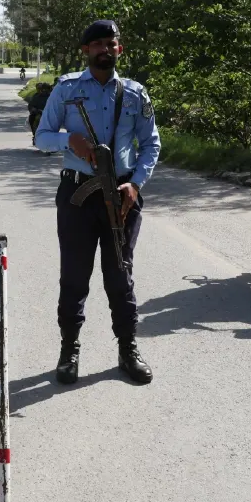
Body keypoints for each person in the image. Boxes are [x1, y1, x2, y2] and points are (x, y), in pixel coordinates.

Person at [34, 20, 161, 385]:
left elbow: (151, 144)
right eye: (98, 44)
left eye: (112, 43)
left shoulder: (135, 93)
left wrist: (135, 185)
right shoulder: (67, 89)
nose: (106, 49)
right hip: (77, 193)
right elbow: (42, 136)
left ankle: (127, 349)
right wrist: (68, 141)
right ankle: (69, 350)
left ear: (119, 49)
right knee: (74, 276)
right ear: (86, 51)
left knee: (120, 275)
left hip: (122, 196)